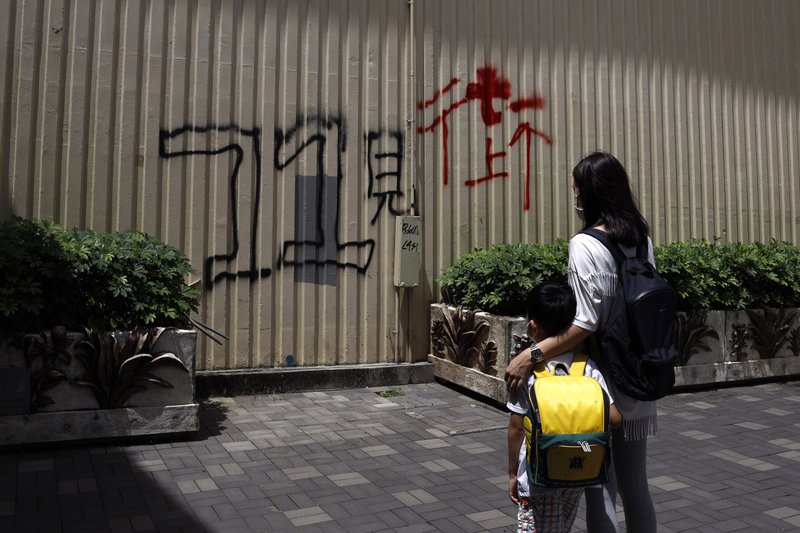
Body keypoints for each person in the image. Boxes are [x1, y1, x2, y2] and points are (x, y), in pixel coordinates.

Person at [505, 151, 658, 533]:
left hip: (600, 380)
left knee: (599, 489)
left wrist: (531, 354)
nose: (575, 199)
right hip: (640, 374)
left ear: (589, 194)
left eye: (577, 191)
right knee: (636, 487)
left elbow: (585, 323)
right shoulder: (642, 241)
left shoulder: (585, 245)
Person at [507, 282, 622, 533]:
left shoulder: (527, 372)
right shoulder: (587, 367)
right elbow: (614, 418)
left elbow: (516, 427)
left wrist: (512, 473)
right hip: (576, 472)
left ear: (532, 326)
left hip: (538, 477)